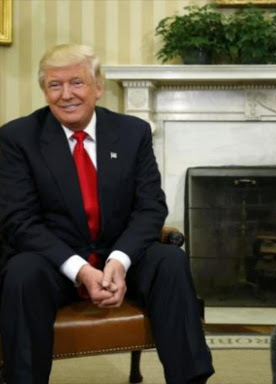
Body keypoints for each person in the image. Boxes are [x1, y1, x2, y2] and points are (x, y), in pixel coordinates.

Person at [0, 44, 214, 384]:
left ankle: (190, 379)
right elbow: (19, 221)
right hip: (55, 262)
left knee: (169, 261)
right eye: (55, 85)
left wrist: (119, 260)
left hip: (119, 251)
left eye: (77, 83)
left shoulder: (132, 133)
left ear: (98, 87)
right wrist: (81, 270)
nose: (66, 94)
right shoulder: (18, 138)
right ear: (44, 91)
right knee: (21, 272)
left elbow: (150, 207)